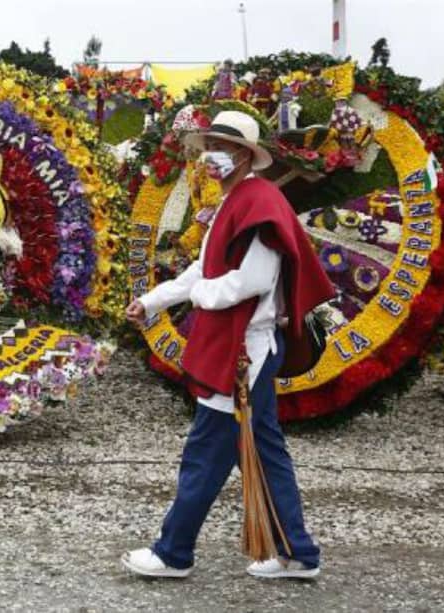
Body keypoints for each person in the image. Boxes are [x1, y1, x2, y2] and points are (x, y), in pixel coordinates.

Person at [121, 110, 335, 580]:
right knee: (260, 451)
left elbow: (251, 280)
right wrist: (154, 301)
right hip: (244, 348)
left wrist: (198, 296)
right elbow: (203, 269)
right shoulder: (238, 200)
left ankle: (173, 552)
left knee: (206, 452)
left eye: (218, 147)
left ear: (241, 155)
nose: (207, 157)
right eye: (207, 146)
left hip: (245, 352)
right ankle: (296, 552)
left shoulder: (258, 203)